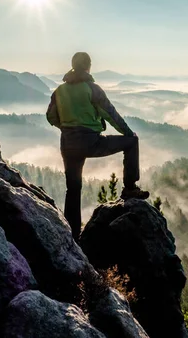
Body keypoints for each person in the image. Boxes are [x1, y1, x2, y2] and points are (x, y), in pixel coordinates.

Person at [46, 52, 149, 239]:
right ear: (88, 67)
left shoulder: (59, 91)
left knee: (73, 189)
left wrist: (66, 126)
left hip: (67, 145)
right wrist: (127, 133)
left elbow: (50, 116)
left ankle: (72, 234)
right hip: (90, 142)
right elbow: (111, 114)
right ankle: (130, 187)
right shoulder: (92, 89)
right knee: (132, 142)